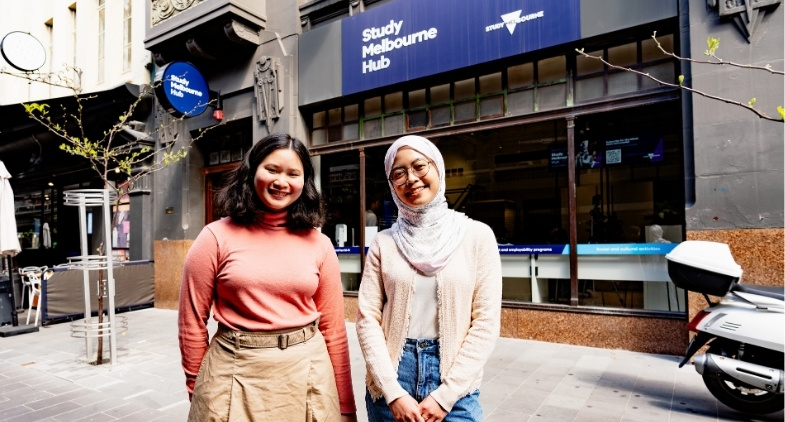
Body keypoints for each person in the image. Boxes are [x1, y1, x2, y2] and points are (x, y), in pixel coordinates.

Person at [178, 133, 357, 422]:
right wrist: (198, 388)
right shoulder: (214, 237)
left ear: (305, 182)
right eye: (271, 169)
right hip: (234, 371)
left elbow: (334, 330)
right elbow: (191, 322)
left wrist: (346, 406)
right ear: (252, 172)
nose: (281, 182)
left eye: (293, 173)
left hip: (308, 373)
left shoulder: (319, 243)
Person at [356, 135, 502, 422]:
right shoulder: (384, 243)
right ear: (391, 184)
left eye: (420, 166)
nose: (411, 179)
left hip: (455, 381)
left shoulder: (477, 236)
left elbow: (485, 322)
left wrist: (446, 396)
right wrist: (392, 391)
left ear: (438, 170)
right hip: (392, 378)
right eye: (399, 173)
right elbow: (367, 319)